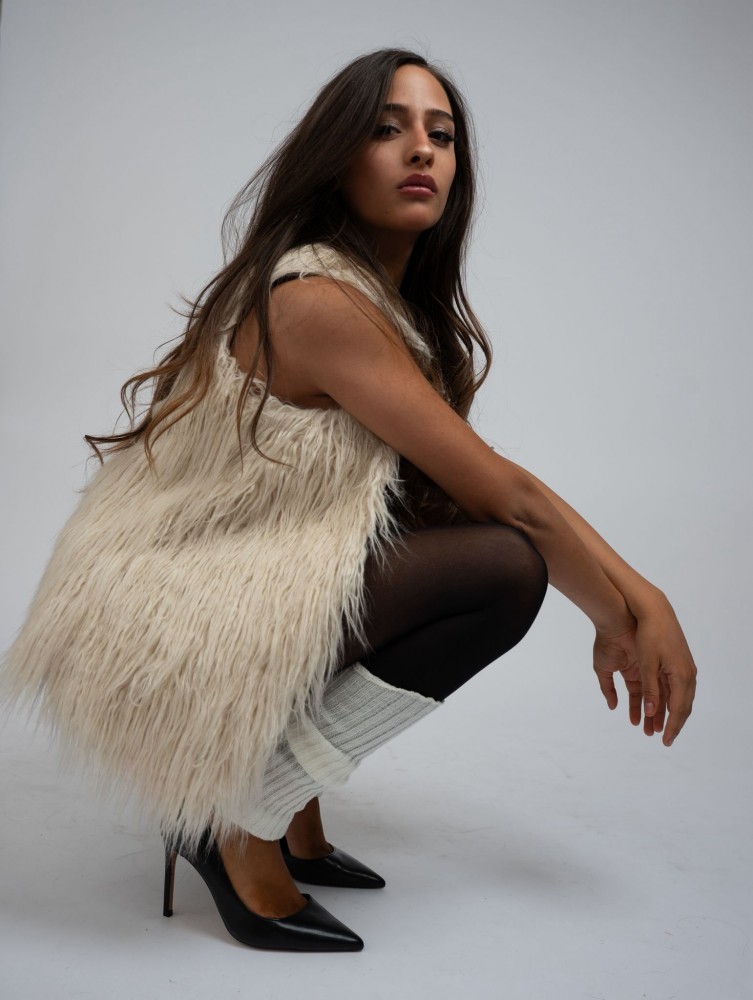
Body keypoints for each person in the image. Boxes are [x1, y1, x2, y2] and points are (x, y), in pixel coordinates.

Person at [1, 49, 697, 954]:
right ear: (337, 158)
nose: (421, 150)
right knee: (499, 570)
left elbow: (421, 496)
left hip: (211, 580)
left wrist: (638, 597)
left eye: (441, 134)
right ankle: (235, 813)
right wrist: (626, 610)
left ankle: (287, 814)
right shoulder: (320, 299)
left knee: (417, 530)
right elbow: (510, 500)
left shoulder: (372, 297)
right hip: (160, 614)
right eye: (386, 129)